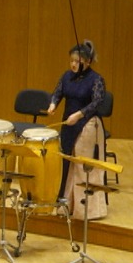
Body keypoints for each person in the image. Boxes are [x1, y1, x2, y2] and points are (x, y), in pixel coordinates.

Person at [48, 40, 111, 221]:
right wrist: (53, 104)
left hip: (88, 124)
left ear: (88, 62)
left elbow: (97, 102)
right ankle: (67, 204)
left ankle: (89, 210)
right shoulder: (67, 76)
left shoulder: (97, 79)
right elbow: (58, 92)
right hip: (68, 123)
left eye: (77, 61)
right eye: (72, 61)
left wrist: (80, 114)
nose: (74, 64)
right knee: (68, 162)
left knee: (83, 165)